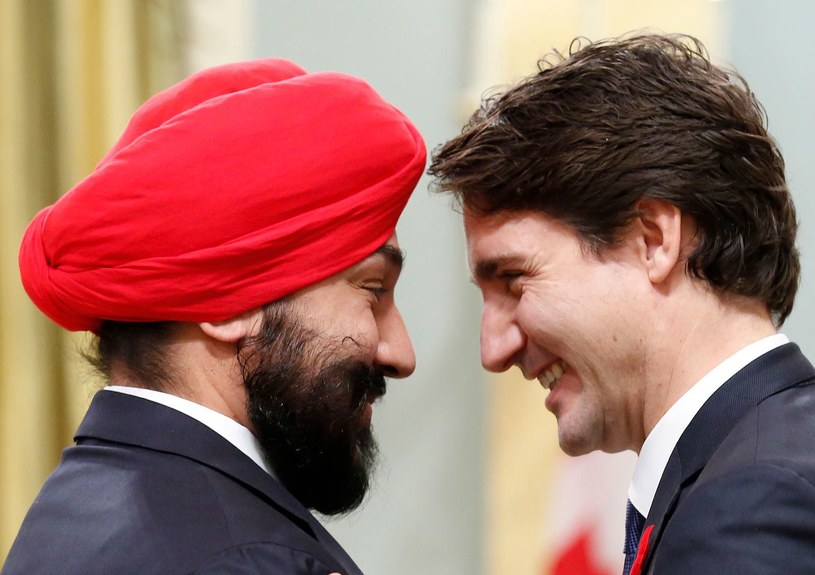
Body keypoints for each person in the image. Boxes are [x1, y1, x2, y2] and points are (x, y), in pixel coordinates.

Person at [3, 58, 425, 575]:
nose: (400, 353)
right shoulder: (248, 559)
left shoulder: (73, 514)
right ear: (230, 303)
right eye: (373, 290)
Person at [429, 33, 815, 575]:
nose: (493, 349)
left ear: (654, 240)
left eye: (515, 280)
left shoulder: (753, 503)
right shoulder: (754, 464)